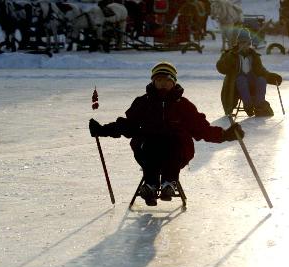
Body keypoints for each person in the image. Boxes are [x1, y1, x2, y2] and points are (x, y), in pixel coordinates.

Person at [89, 61, 244, 206]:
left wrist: (226, 135)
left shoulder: (183, 105)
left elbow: (201, 128)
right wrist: (102, 130)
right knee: (150, 144)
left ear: (174, 82)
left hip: (177, 150)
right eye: (159, 80)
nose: (163, 83)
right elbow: (128, 125)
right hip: (148, 149)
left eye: (167, 80)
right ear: (153, 82)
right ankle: (150, 184)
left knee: (174, 143)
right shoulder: (143, 103)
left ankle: (169, 182)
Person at [216, 28, 283, 117]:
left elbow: (261, 71)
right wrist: (229, 58)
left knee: (261, 79)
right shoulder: (231, 55)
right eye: (242, 43)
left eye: (246, 43)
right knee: (241, 79)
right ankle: (248, 105)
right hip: (237, 85)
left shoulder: (254, 56)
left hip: (251, 81)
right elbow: (221, 68)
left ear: (249, 44)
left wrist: (271, 77)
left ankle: (259, 105)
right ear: (238, 43)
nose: (244, 45)